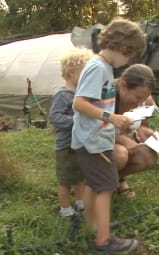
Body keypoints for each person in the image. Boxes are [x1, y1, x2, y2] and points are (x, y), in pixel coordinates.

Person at [71, 18, 146, 253]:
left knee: (96, 185)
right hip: (93, 142)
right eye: (130, 56)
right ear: (124, 49)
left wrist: (115, 124)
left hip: (97, 139)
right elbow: (79, 104)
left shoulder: (104, 68)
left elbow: (98, 103)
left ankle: (93, 228)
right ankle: (103, 241)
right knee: (107, 187)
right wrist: (111, 118)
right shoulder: (98, 68)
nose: (128, 62)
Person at [49, 47, 93, 217]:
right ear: (72, 72)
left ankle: (81, 204)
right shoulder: (63, 95)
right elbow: (55, 117)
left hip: (81, 144)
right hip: (66, 146)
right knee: (66, 180)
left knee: (81, 176)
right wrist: (76, 121)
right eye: (86, 73)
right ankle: (65, 209)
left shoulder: (83, 95)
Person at [113, 64, 158, 198]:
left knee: (148, 156)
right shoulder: (106, 98)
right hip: (94, 146)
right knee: (120, 154)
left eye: (144, 99)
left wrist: (145, 131)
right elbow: (91, 131)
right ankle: (92, 184)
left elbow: (142, 124)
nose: (140, 103)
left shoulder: (146, 100)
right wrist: (120, 139)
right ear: (123, 86)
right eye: (138, 98)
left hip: (122, 144)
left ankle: (115, 180)